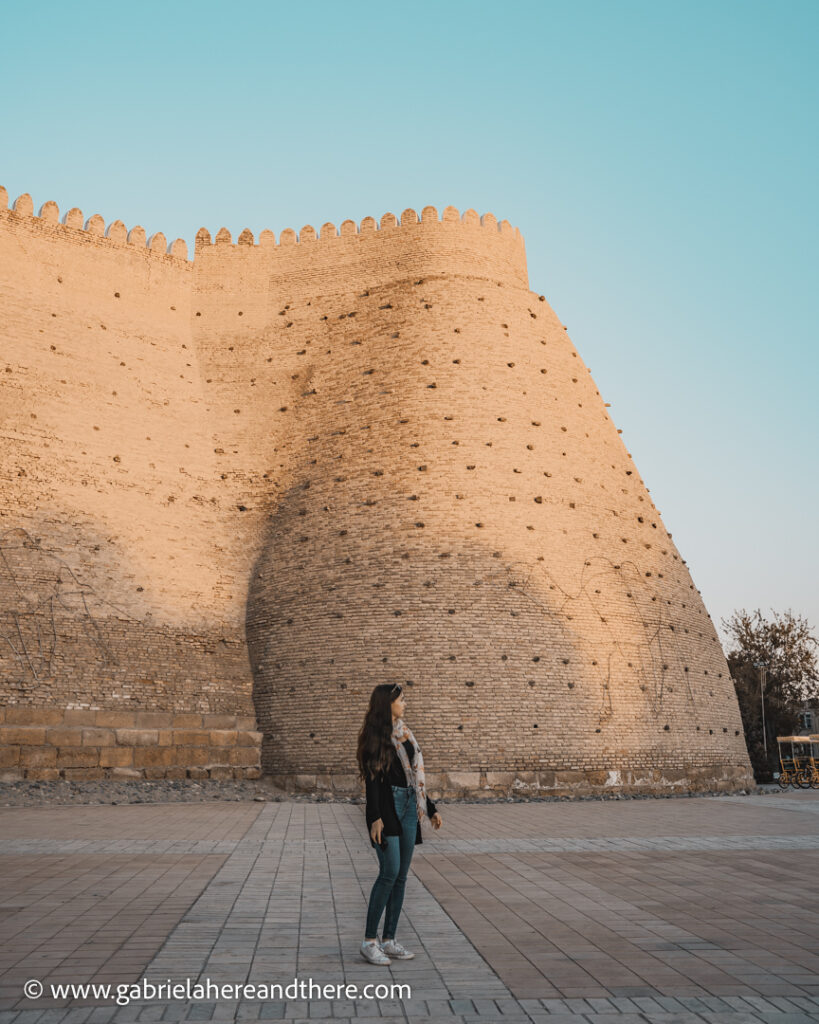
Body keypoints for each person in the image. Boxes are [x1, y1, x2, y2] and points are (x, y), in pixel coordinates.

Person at [356, 682, 443, 965]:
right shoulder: (375, 736)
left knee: (402, 876)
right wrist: (374, 817)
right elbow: (373, 781)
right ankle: (370, 941)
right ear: (387, 703)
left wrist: (429, 809)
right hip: (388, 807)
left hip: (409, 807)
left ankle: (389, 939)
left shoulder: (406, 734)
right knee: (389, 872)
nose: (405, 704)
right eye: (401, 700)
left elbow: (414, 778)